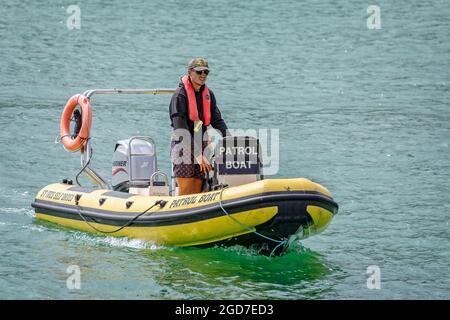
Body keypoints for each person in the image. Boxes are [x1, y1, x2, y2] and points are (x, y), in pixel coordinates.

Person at [169, 58, 229, 195]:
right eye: (199, 71)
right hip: (183, 145)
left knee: (197, 191)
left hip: (201, 143)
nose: (203, 75)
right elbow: (180, 130)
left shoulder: (208, 95)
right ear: (190, 72)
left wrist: (230, 140)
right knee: (186, 190)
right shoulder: (179, 96)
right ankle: (181, 214)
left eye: (206, 72)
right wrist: (198, 155)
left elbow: (217, 120)